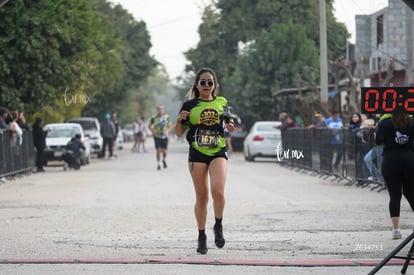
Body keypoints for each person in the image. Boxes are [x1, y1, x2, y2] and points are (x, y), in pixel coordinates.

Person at [175, 68, 235, 255]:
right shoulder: (189, 105)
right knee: (202, 198)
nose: (207, 85)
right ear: (197, 85)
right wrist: (179, 121)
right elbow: (178, 132)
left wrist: (230, 125)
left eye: (210, 82)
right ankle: (201, 235)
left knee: (218, 192)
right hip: (197, 152)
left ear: (215, 85)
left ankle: (218, 224)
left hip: (217, 150)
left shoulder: (222, 102)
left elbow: (229, 121)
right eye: (203, 82)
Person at [375, 113, 414, 240]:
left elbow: (378, 141)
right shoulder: (412, 120)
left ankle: (396, 229)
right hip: (409, 159)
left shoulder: (384, 121)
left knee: (395, 195)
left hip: (390, 159)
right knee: (411, 193)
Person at [149, 104, 172, 170]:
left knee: (164, 151)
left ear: (163, 110)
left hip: (165, 136)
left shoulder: (167, 116)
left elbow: (170, 126)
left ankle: (163, 159)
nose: (160, 110)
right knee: (158, 150)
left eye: (162, 109)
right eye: (159, 109)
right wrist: (153, 131)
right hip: (157, 136)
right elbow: (149, 126)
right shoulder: (154, 117)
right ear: (157, 110)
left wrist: (167, 131)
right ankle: (158, 164)